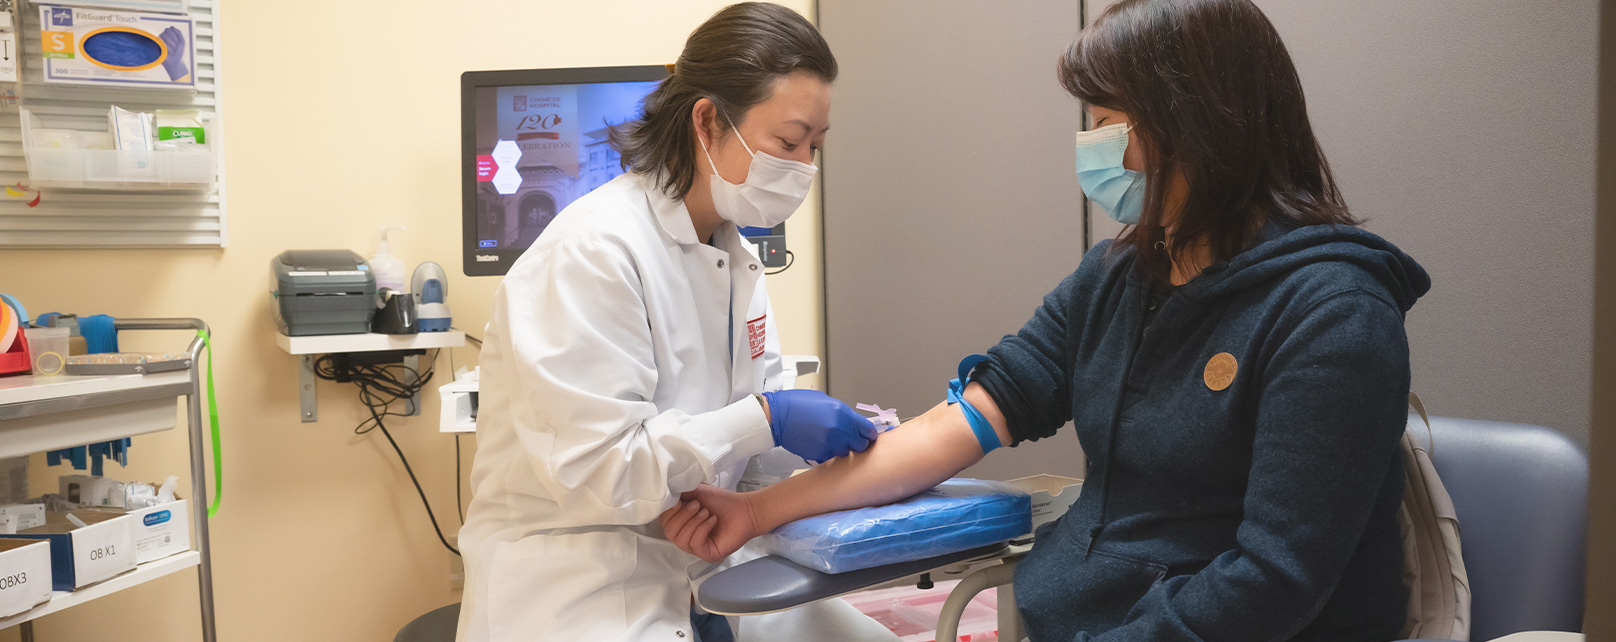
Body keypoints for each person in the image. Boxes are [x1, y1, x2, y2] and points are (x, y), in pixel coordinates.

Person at [663, 0, 1432, 640]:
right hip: (1074, 614)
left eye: (1106, 122)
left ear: (1198, 127)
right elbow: (955, 429)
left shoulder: (1332, 314)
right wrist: (757, 510)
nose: (1090, 147)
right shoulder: (1118, 280)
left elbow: (1275, 580)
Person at [456, 4, 880, 640]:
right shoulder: (595, 250)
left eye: (815, 147)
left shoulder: (733, 254)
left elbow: (743, 447)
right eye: (788, 143)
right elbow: (604, 473)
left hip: (704, 554)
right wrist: (770, 419)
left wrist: (779, 477)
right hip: (583, 583)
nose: (803, 169)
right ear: (707, 120)